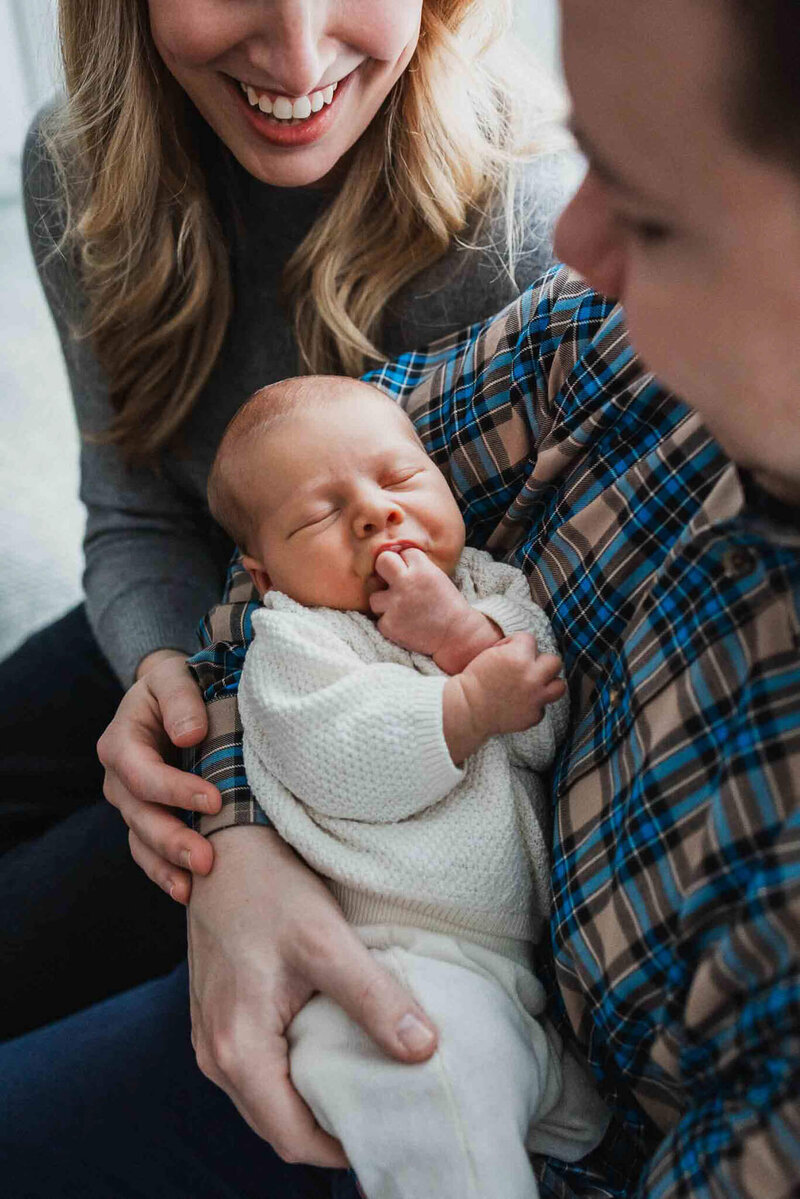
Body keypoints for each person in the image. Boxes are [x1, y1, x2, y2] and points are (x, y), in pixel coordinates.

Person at [1, 1, 798, 1196]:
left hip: (435, 999)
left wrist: (249, 821)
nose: (578, 238)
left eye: (647, 208)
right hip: (280, 692)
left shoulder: (524, 237)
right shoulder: (604, 347)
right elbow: (251, 559)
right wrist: (236, 819)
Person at [1, 0, 572, 1039]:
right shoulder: (75, 165)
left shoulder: (522, 222)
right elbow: (135, 512)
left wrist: (234, 791)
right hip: (200, 599)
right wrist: (170, 673)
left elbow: (513, 710)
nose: (300, 56)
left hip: (369, 722)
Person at [208, 375, 608, 1198]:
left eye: (398, 479)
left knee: (575, 1125)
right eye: (320, 515)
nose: (375, 513)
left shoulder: (492, 591)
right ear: (266, 575)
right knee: (434, 1103)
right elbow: (343, 760)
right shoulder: (294, 642)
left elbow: (539, 726)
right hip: (391, 960)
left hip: (518, 976)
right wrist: (463, 702)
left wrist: (463, 638)